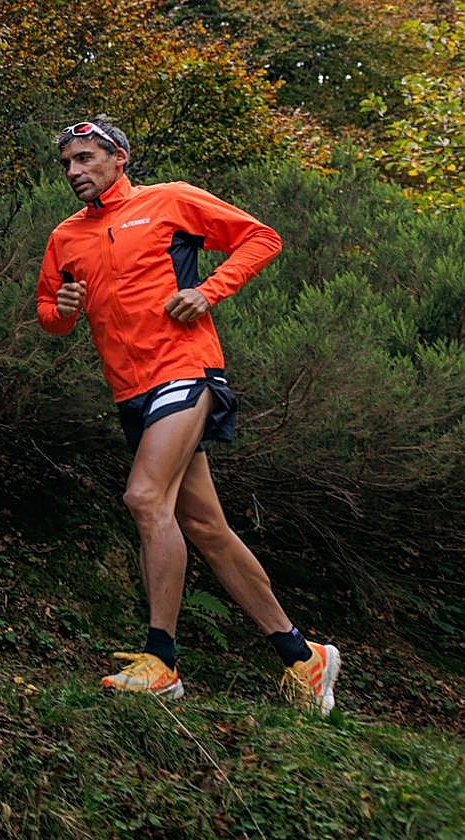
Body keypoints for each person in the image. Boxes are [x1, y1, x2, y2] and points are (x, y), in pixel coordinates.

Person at [35, 117, 342, 714]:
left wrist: (210, 291)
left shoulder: (167, 201)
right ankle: (304, 658)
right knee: (205, 528)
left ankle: (163, 662)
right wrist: (62, 307)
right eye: (67, 163)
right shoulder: (65, 237)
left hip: (185, 370)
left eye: (86, 158)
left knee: (145, 498)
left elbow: (261, 238)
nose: (75, 171)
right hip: (130, 393)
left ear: (119, 158)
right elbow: (51, 314)